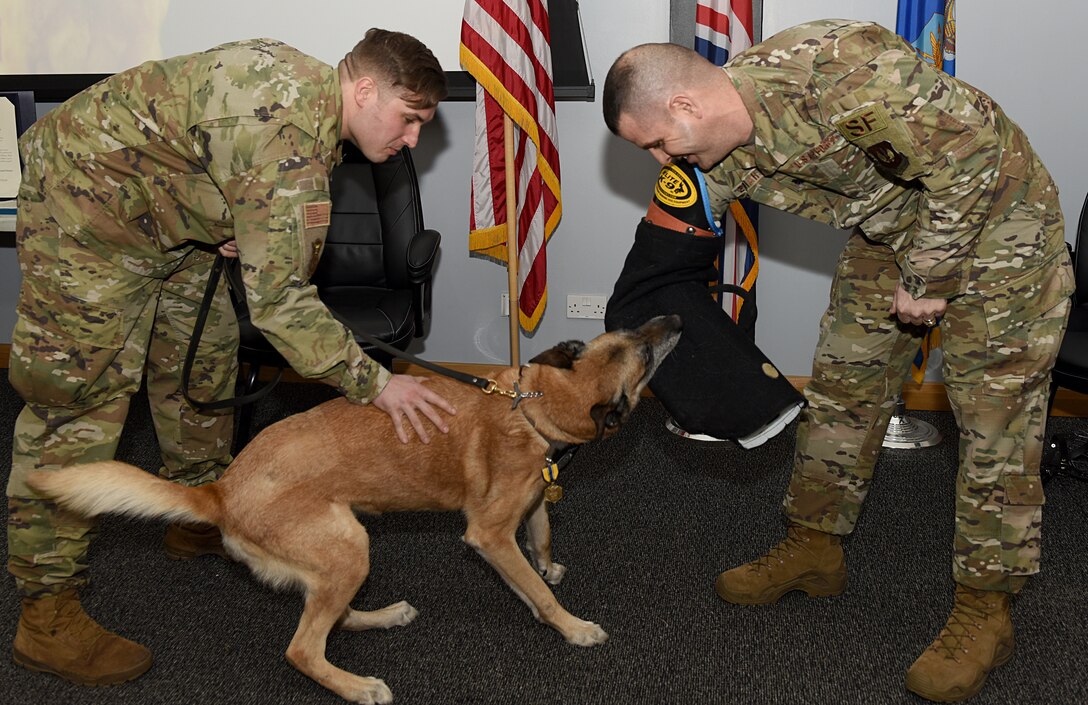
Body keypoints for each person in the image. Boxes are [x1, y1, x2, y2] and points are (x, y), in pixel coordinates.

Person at [603, 18, 1072, 703]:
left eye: (654, 141)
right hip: (892, 231)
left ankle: (986, 609)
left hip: (1002, 219)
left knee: (994, 420)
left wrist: (930, 275)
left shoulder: (839, 69)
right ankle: (814, 548)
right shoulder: (709, 152)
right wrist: (635, 352)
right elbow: (657, 264)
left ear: (685, 106)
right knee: (843, 387)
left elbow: (971, 159)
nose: (657, 157)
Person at [7, 29, 456, 686]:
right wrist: (375, 384)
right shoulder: (291, 148)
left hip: (161, 211)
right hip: (84, 210)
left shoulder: (314, 100)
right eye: (410, 119)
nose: (413, 139)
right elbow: (280, 304)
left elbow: (208, 144)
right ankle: (45, 613)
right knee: (76, 408)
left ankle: (202, 515)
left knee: (204, 358)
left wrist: (225, 214)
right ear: (364, 89)